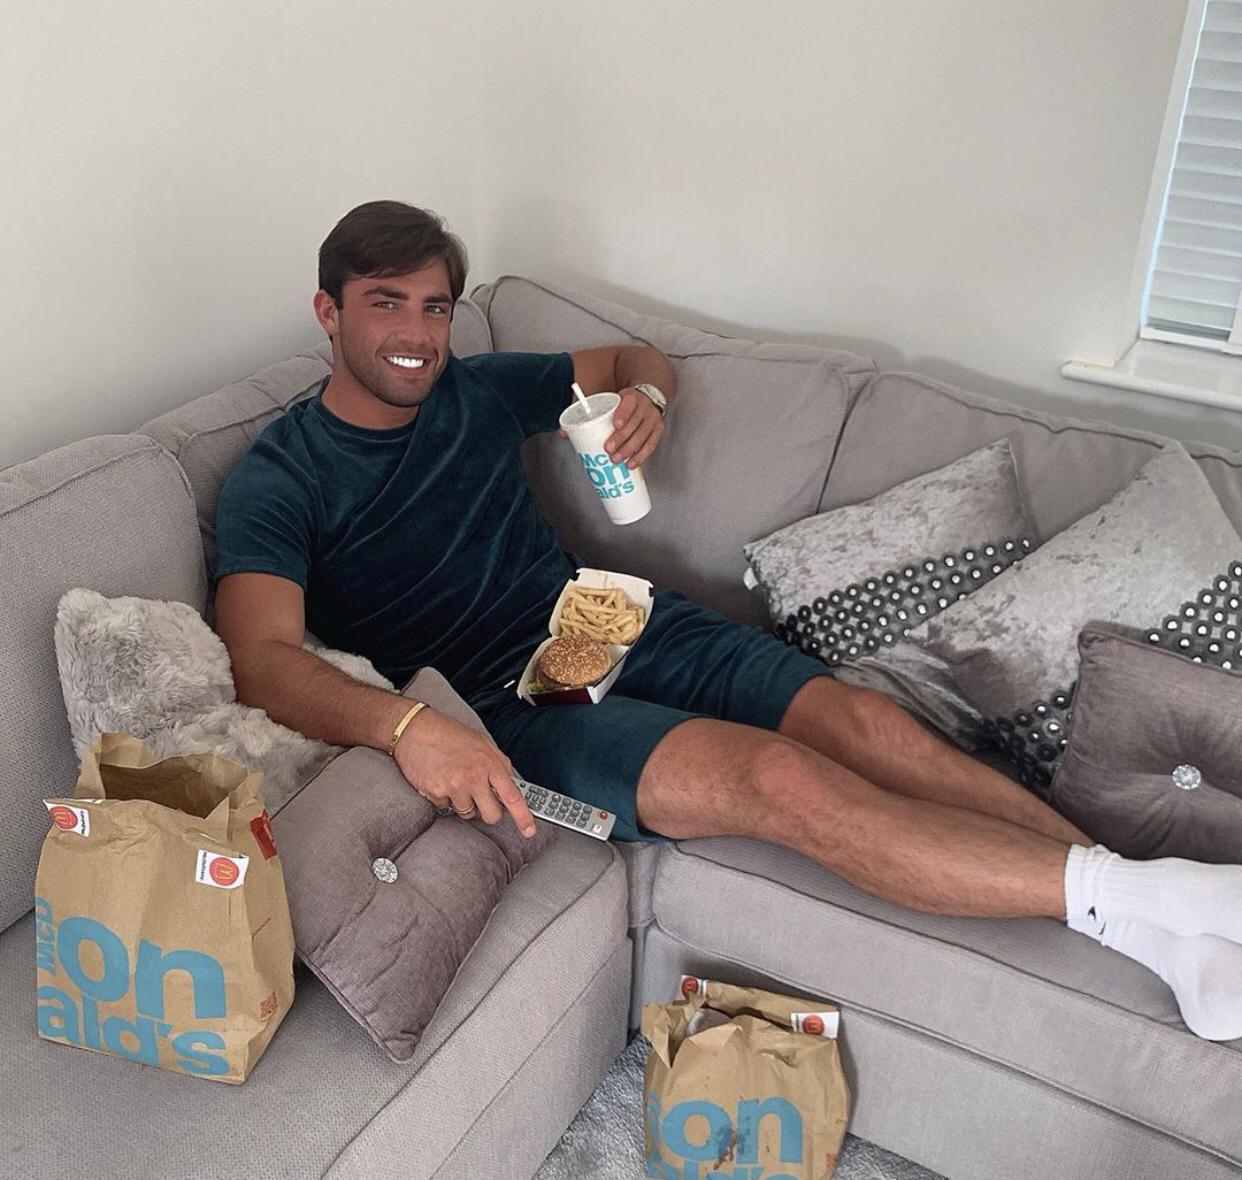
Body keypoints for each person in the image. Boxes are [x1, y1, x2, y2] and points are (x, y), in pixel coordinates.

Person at [214, 200, 1242, 1041]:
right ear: (328, 311)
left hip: (601, 616)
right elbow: (260, 659)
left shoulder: (477, 389)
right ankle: (1170, 905)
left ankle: (1148, 916)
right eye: (386, 303)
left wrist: (651, 398)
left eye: (435, 307)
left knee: (861, 721)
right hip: (503, 708)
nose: (416, 335)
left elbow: (633, 358)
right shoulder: (280, 477)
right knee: (781, 780)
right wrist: (408, 726)